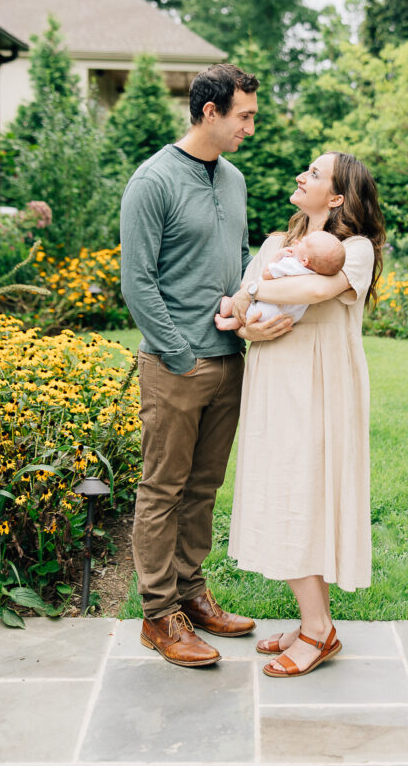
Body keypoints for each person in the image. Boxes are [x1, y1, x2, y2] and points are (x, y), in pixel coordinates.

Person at [120, 63, 292, 668]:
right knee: (162, 489)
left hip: (229, 358)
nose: (251, 127)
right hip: (175, 365)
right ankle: (158, 614)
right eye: (244, 115)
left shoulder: (235, 179)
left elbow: (241, 262)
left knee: (202, 488)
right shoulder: (153, 181)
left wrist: (248, 315)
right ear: (210, 111)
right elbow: (137, 282)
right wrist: (178, 352)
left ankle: (191, 594)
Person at [227, 151, 385, 677]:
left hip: (320, 383)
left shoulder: (354, 249)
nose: (301, 175)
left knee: (305, 493)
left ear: (337, 197)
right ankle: (313, 622)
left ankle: (318, 631)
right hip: (274, 378)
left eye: (315, 173)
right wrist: (249, 325)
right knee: (285, 493)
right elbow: (243, 315)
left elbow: (314, 290)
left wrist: (251, 289)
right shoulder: (277, 243)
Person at [214, 230, 345, 331]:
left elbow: (266, 274)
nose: (298, 241)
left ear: (305, 261)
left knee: (250, 289)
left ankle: (229, 307)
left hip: (268, 309)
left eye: (302, 243)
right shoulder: (315, 274)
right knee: (254, 312)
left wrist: (278, 256)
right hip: (287, 316)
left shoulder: (292, 265)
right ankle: (232, 322)